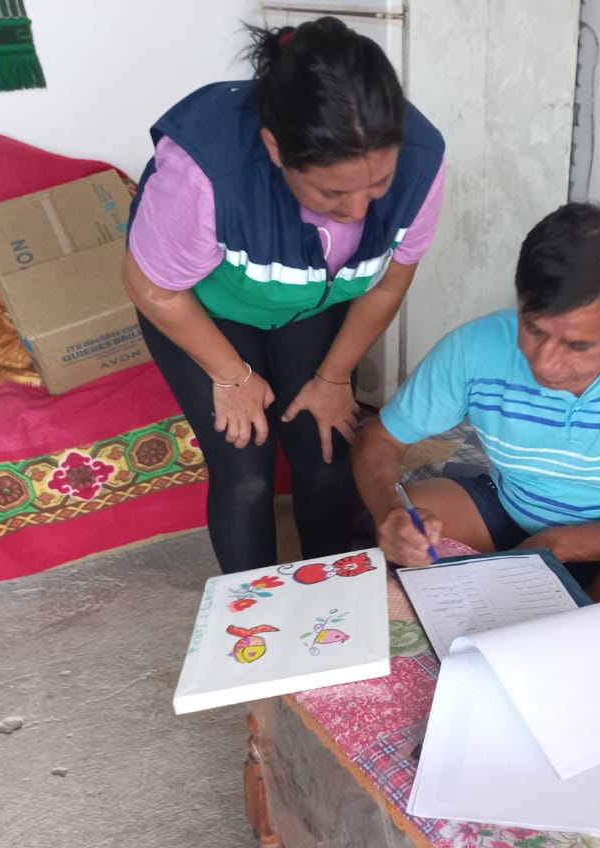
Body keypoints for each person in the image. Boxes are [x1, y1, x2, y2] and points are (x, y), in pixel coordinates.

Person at [122, 18, 446, 574]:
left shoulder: (422, 158)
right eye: (333, 192)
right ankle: (254, 614)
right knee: (246, 469)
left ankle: (333, 605)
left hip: (310, 301)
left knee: (325, 452)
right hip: (203, 308)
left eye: (378, 185)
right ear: (275, 148)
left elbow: (391, 281)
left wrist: (335, 378)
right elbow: (152, 288)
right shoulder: (207, 170)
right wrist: (232, 377)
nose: (358, 211)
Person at [353, 203, 600, 648]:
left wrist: (557, 544)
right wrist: (391, 513)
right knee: (406, 523)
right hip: (514, 509)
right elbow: (380, 438)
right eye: (533, 329)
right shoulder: (475, 346)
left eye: (577, 345)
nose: (546, 363)